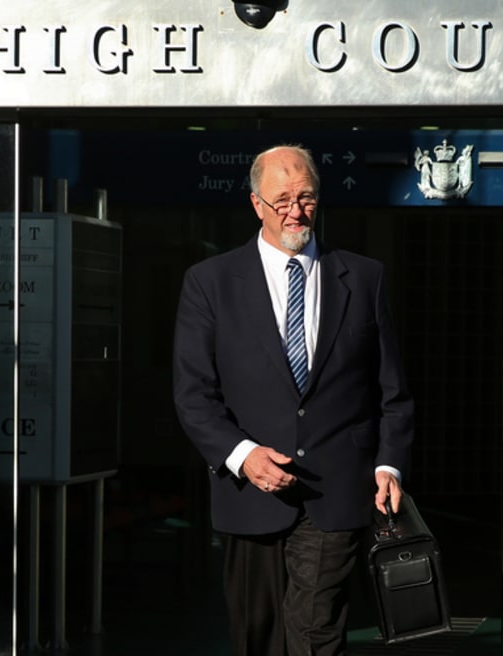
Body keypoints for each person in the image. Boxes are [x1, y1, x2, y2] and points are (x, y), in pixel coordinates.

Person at [172, 144, 415, 656]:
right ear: (256, 203)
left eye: (305, 197)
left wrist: (389, 465)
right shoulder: (210, 283)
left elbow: (392, 388)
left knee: (316, 629)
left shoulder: (363, 277)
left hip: (335, 488)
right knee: (255, 634)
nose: (295, 211)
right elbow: (193, 394)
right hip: (250, 493)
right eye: (281, 199)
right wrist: (242, 455)